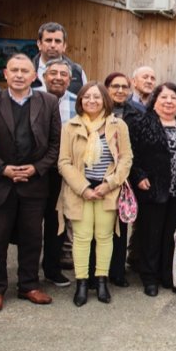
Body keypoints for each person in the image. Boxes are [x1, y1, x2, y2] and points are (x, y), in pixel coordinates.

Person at [0, 53, 61, 312]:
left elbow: (56, 144)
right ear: (6, 74)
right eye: (14, 70)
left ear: (35, 76)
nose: (20, 75)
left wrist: (36, 169)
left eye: (25, 70)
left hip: (34, 184)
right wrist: (3, 169)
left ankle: (29, 285)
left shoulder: (48, 102)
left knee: (32, 238)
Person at [57, 83, 132, 306]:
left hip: (107, 189)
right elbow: (64, 162)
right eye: (87, 97)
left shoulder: (118, 125)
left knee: (104, 237)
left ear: (105, 100)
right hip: (79, 189)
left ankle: (101, 281)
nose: (92, 100)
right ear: (80, 100)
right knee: (81, 238)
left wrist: (109, 184)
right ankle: (81, 283)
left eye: (97, 97)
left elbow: (126, 159)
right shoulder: (70, 126)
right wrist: (83, 188)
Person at [127, 82, 176, 296]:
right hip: (152, 190)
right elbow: (131, 155)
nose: (169, 102)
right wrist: (139, 176)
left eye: (173, 98)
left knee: (173, 236)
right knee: (150, 235)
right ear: (155, 101)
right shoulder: (141, 123)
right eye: (164, 98)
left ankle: (168, 275)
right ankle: (149, 277)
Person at [34, 58, 76, 288]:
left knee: (56, 222)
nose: (58, 77)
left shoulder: (77, 102)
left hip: (62, 173)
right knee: (30, 223)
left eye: (63, 74)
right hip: (35, 170)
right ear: (43, 76)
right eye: (53, 73)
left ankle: (52, 268)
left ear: (70, 80)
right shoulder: (32, 98)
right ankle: (28, 272)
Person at [101, 72, 138, 286]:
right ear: (106, 88)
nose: (120, 90)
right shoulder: (96, 110)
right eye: (115, 86)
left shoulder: (136, 113)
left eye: (125, 86)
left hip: (125, 178)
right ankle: (98, 272)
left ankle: (117, 271)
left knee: (120, 226)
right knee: (99, 228)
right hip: (99, 177)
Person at [30, 21, 86, 94]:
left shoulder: (77, 72)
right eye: (48, 40)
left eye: (57, 41)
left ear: (64, 46)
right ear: (39, 44)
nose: (53, 45)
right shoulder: (27, 71)